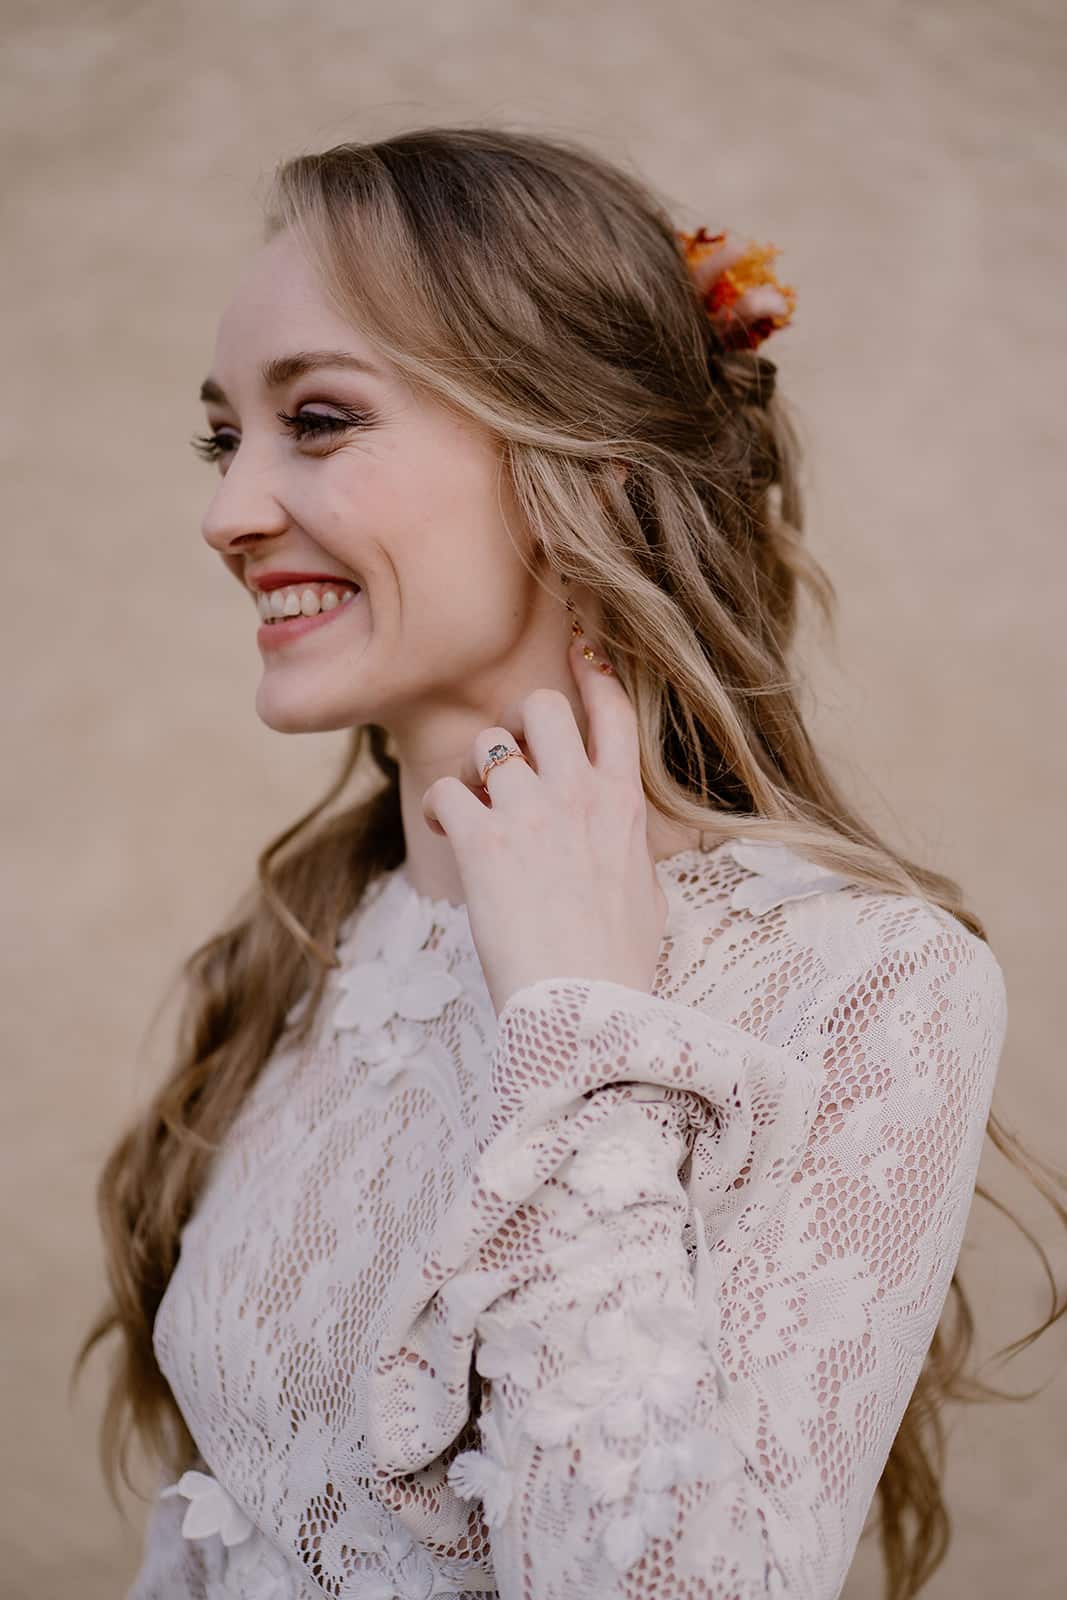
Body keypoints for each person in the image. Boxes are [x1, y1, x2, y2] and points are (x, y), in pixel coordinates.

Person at [74, 126, 1064, 1600]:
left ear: (584, 467)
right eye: (227, 441)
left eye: (320, 421)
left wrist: (585, 1031)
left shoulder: (869, 983)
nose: (228, 515)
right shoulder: (306, 945)